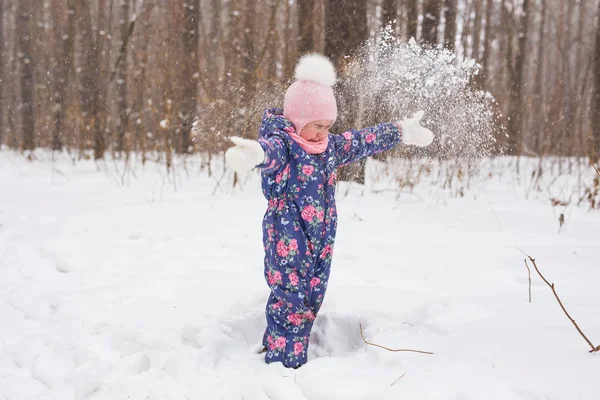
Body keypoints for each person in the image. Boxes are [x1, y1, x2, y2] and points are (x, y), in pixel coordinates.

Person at [225, 53, 433, 368]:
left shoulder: (329, 148)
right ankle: (286, 368)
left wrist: (400, 131)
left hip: (320, 245)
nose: (322, 132)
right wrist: (254, 154)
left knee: (308, 302)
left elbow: (362, 140)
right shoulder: (284, 147)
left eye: (327, 125)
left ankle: (273, 346)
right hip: (286, 244)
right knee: (291, 303)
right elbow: (269, 154)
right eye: (315, 125)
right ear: (297, 120)